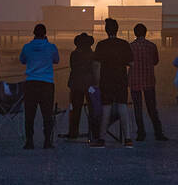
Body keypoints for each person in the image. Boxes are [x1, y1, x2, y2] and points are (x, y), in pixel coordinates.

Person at [94, 18, 134, 147]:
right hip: (121, 80)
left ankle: (102, 138)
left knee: (106, 109)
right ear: (117, 29)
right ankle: (127, 138)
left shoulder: (101, 45)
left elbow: (97, 66)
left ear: (106, 30)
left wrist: (97, 82)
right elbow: (132, 64)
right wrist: (127, 78)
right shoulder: (124, 44)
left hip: (106, 81)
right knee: (123, 108)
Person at [19, 23, 59, 150]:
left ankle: (29, 141)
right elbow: (56, 60)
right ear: (45, 34)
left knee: (29, 114)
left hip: (31, 83)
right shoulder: (51, 47)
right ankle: (47, 141)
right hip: (46, 83)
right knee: (47, 114)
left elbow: (22, 60)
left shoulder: (27, 47)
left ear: (34, 33)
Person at [129, 23, 167, 142]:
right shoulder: (152, 46)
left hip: (134, 80)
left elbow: (128, 61)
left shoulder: (130, 47)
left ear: (135, 33)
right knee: (152, 108)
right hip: (149, 80)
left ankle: (141, 133)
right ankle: (158, 132)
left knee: (137, 108)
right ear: (145, 33)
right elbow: (155, 61)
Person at [66, 32, 100, 142]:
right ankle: (94, 132)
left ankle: (73, 132)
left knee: (75, 109)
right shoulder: (93, 54)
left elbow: (73, 67)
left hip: (76, 83)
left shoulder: (74, 54)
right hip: (89, 84)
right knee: (92, 109)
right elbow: (95, 69)